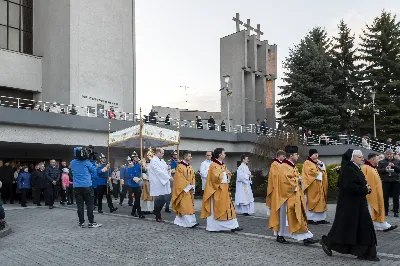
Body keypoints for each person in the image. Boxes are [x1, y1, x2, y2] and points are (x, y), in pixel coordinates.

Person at [321, 149, 378, 261]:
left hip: (357, 204)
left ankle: (363, 252)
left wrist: (366, 188)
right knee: (348, 228)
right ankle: (329, 242)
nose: (362, 159)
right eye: (360, 157)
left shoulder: (354, 168)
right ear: (353, 158)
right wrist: (365, 189)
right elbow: (349, 187)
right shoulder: (348, 169)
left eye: (362, 157)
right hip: (350, 205)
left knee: (352, 229)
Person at [269, 146, 318, 246]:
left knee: (296, 217)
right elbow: (284, 182)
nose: (298, 156)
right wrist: (298, 180)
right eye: (296, 154)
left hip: (293, 195)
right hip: (286, 197)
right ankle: (281, 235)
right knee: (287, 218)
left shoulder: (292, 166)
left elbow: (293, 178)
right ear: (291, 156)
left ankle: (305, 237)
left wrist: (299, 179)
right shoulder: (284, 166)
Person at [201, 148, 242, 232]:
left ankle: (233, 225)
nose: (225, 155)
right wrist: (224, 173)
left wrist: (227, 174)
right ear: (220, 155)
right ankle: (214, 227)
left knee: (228, 207)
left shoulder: (222, 165)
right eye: (224, 153)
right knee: (218, 208)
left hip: (224, 190)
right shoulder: (213, 165)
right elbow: (215, 178)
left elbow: (226, 175)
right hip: (216, 190)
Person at [362, 153, 397, 232]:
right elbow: (365, 181)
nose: (379, 160)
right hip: (372, 194)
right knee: (373, 210)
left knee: (378, 209)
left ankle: (381, 225)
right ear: (373, 160)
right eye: (378, 159)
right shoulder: (366, 168)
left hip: (377, 193)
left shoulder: (372, 168)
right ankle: (379, 226)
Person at [70, 147, 102, 228]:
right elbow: (94, 170)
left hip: (77, 186)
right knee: (89, 205)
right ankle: (91, 222)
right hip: (87, 186)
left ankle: (81, 223)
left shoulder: (72, 163)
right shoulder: (86, 162)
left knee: (80, 205)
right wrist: (93, 161)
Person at [301, 149, 329, 225]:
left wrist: (321, 164)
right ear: (311, 155)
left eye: (317, 154)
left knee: (321, 201)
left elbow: (323, 171)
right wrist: (319, 174)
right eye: (315, 154)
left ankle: (321, 218)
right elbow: (309, 173)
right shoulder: (307, 163)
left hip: (320, 185)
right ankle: (310, 219)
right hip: (312, 185)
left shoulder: (317, 162)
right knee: (312, 201)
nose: (317, 155)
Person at [172, 151, 199, 228]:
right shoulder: (180, 167)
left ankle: (179, 221)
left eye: (191, 156)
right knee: (186, 206)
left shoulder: (190, 166)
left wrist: (193, 185)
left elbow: (193, 177)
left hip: (189, 189)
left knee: (187, 206)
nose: (191, 157)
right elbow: (179, 179)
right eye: (189, 156)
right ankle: (190, 223)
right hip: (183, 189)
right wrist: (188, 185)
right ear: (185, 157)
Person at [149, 148, 173, 223]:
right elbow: (159, 171)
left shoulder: (162, 161)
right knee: (159, 198)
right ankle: (158, 216)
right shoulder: (153, 161)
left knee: (164, 198)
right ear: (158, 152)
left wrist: (168, 168)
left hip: (163, 182)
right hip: (157, 182)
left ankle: (156, 211)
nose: (163, 155)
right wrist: (168, 177)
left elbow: (164, 169)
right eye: (162, 153)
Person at [377, 149, 400, 217]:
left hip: (395, 181)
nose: (389, 155)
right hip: (386, 181)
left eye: (390, 154)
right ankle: (385, 211)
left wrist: (394, 166)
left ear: (393, 154)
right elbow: (378, 171)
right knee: (385, 197)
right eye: (388, 154)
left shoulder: (397, 161)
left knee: (396, 197)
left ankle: (396, 211)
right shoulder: (381, 162)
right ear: (385, 154)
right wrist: (385, 169)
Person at [266, 150, 285, 218]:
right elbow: (274, 175)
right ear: (279, 156)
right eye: (283, 156)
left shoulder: (281, 163)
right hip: (276, 185)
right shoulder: (274, 164)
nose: (284, 157)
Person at [125, 152, 144, 218]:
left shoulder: (139, 164)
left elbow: (144, 171)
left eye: (137, 157)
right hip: (133, 184)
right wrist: (137, 179)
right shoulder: (131, 164)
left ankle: (133, 212)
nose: (137, 158)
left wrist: (142, 166)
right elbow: (129, 175)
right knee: (137, 199)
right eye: (135, 157)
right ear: (133, 158)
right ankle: (139, 213)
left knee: (137, 199)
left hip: (139, 183)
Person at [141, 150, 154, 214]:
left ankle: (150, 209)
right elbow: (142, 171)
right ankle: (144, 209)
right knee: (145, 195)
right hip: (145, 180)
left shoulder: (152, 162)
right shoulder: (142, 162)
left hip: (151, 180)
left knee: (151, 195)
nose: (147, 156)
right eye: (146, 155)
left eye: (149, 155)